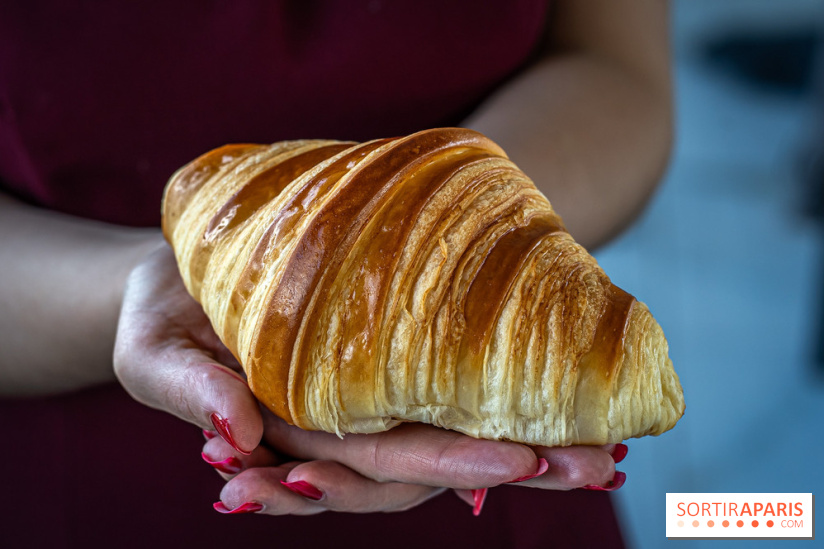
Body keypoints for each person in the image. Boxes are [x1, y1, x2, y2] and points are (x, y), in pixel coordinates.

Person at [0, 1, 671, 547]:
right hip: (77, 437)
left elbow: (615, 67)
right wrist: (134, 291)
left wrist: (453, 238)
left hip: (501, 475)